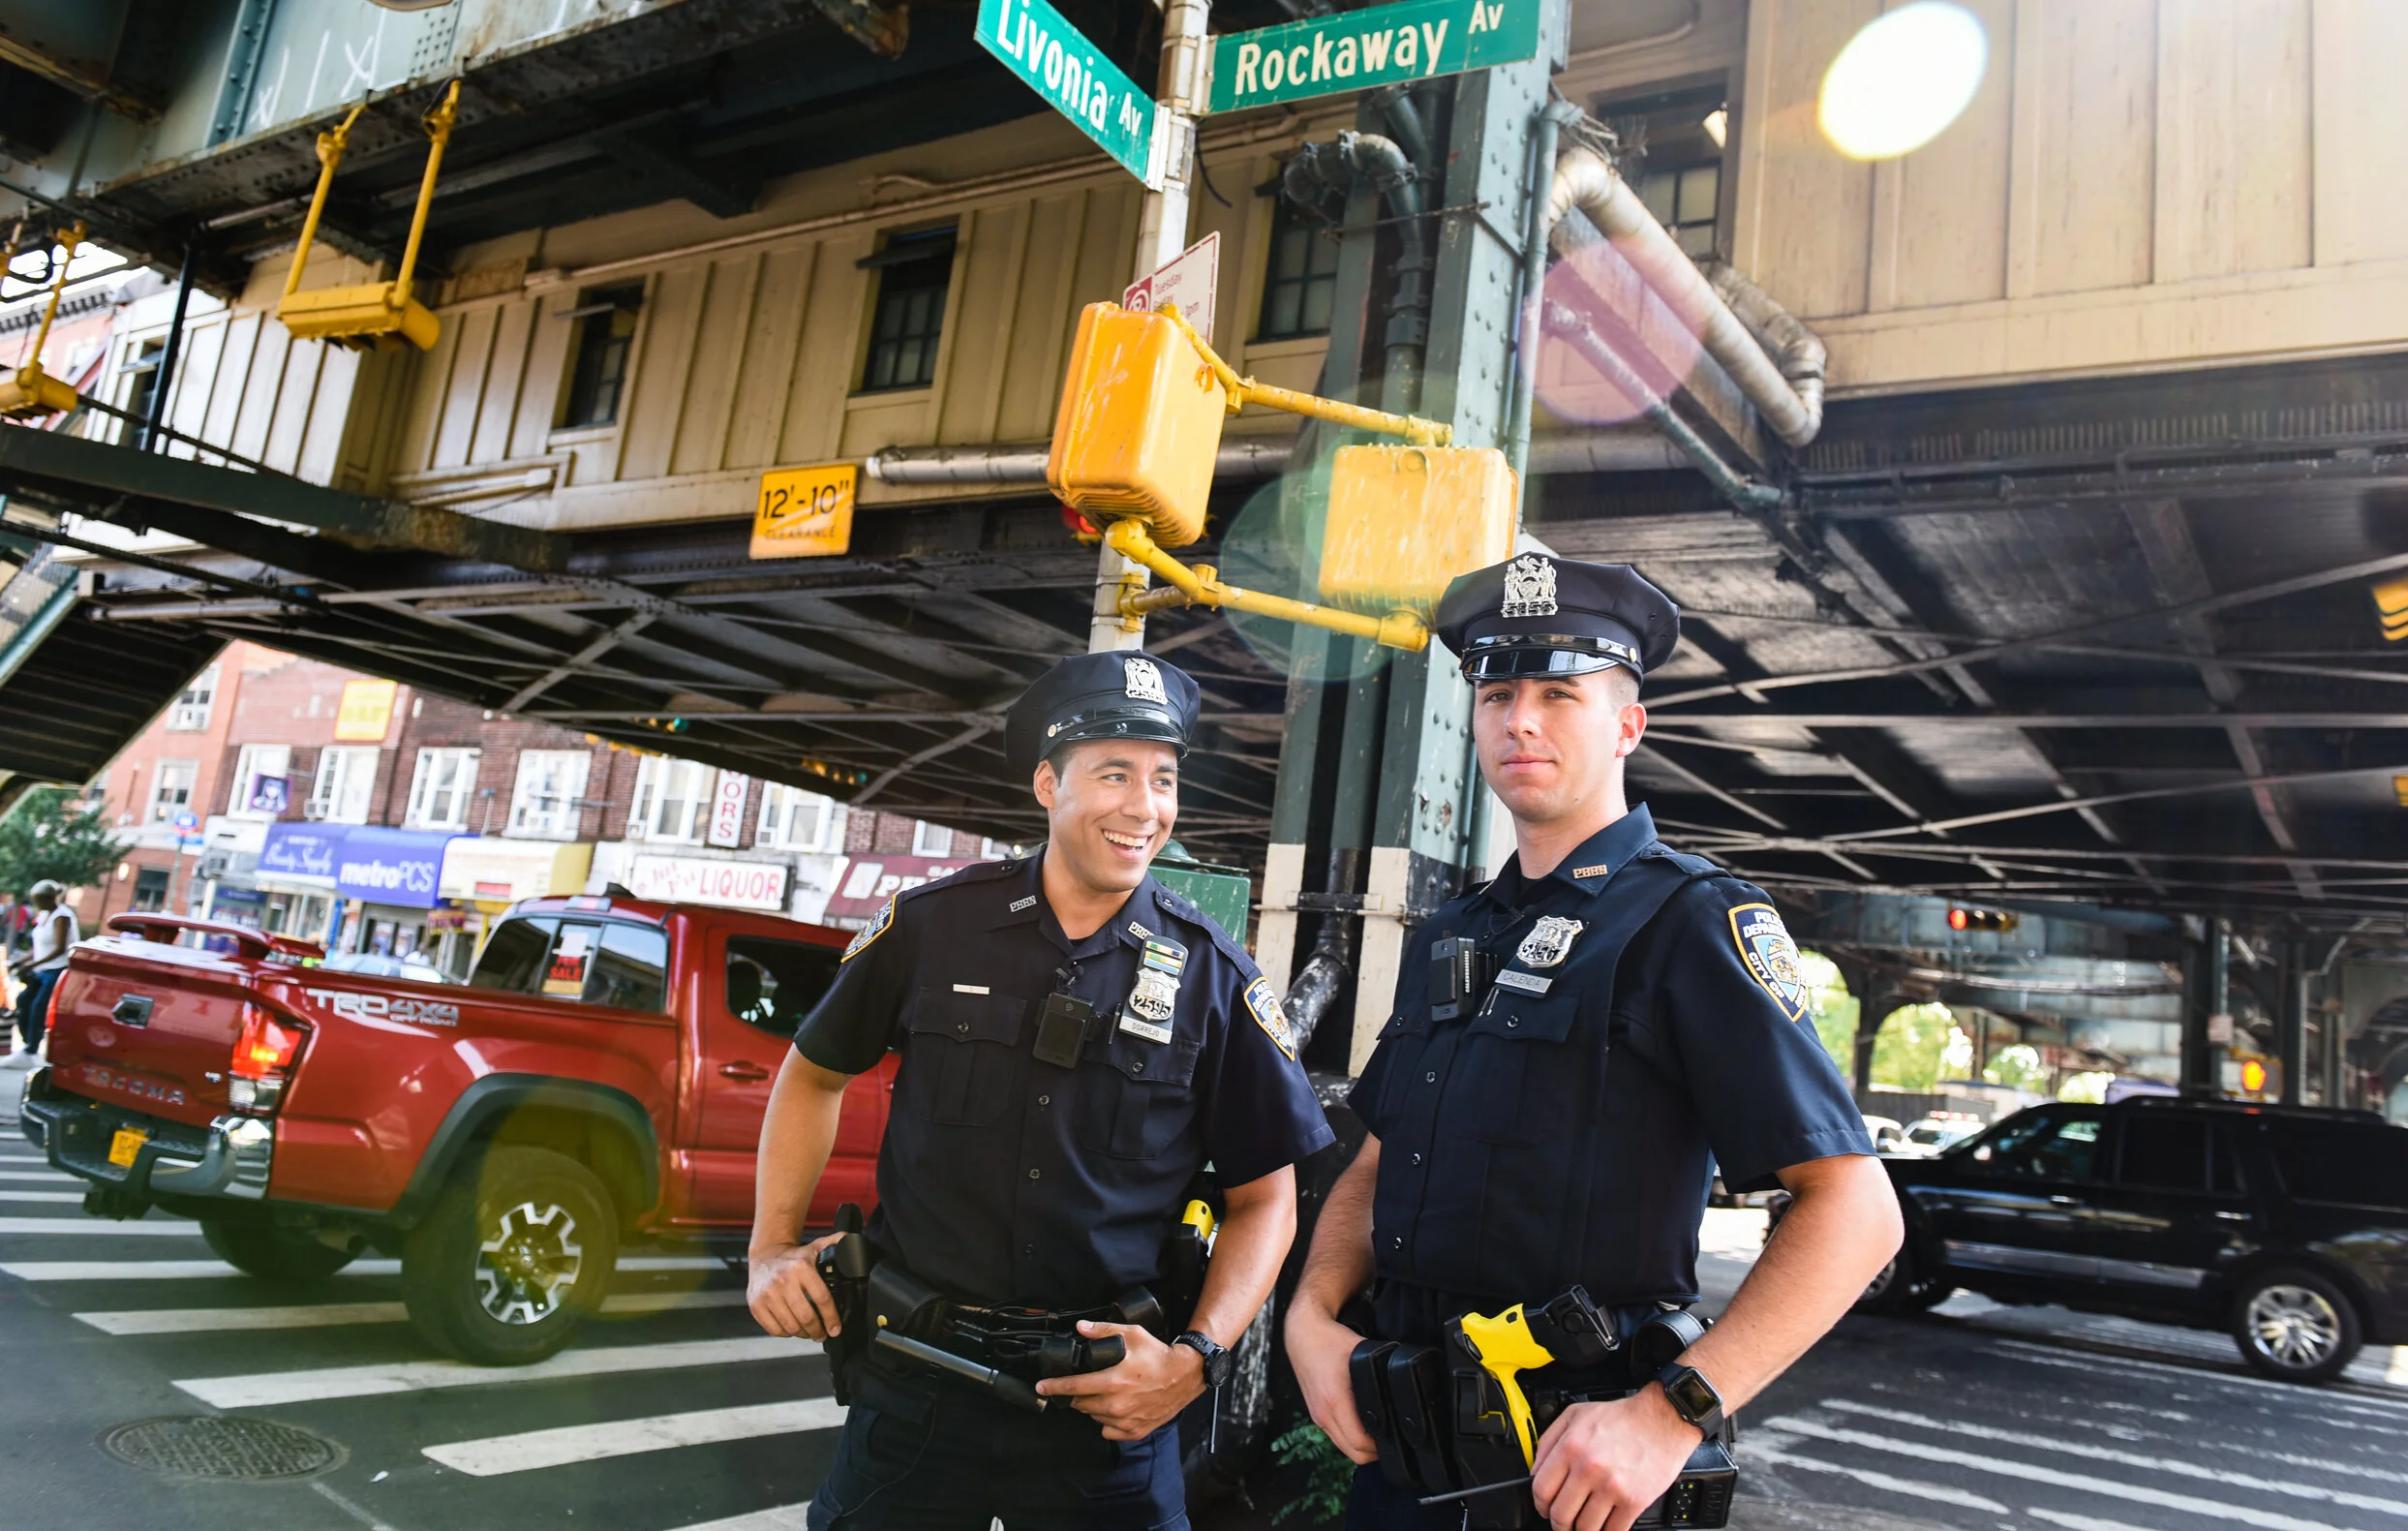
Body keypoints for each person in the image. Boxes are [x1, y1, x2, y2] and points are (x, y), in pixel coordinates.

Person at [1283, 555, 1903, 1531]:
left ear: (1628, 726)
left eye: (1558, 694)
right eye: (1497, 693)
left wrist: (1674, 1411)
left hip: (1573, 1486)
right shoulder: (1455, 932)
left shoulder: (1687, 921)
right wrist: (1312, 1316)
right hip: (1400, 1467)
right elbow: (1374, 1152)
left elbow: (1856, 1211)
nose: (1519, 719)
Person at [747, 650, 1336, 1529]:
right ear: (1046, 785)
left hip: (1105, 1409)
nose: (1145, 807)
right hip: (915, 1387)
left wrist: (1197, 1359)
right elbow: (813, 1070)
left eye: (1164, 780)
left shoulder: (1214, 976)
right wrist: (770, 1244)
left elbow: (1267, 1200)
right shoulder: (933, 927)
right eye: (1114, 774)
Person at [7, 879, 76, 1066]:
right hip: (43, 969)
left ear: (48, 898)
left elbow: (60, 948)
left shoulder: (62, 916)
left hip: (57, 969)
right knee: (24, 1000)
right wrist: (21, 962)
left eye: (38, 900)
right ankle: (28, 1045)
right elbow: (39, 948)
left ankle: (32, 1049)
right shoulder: (44, 915)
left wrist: (32, 965)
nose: (36, 904)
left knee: (39, 1006)